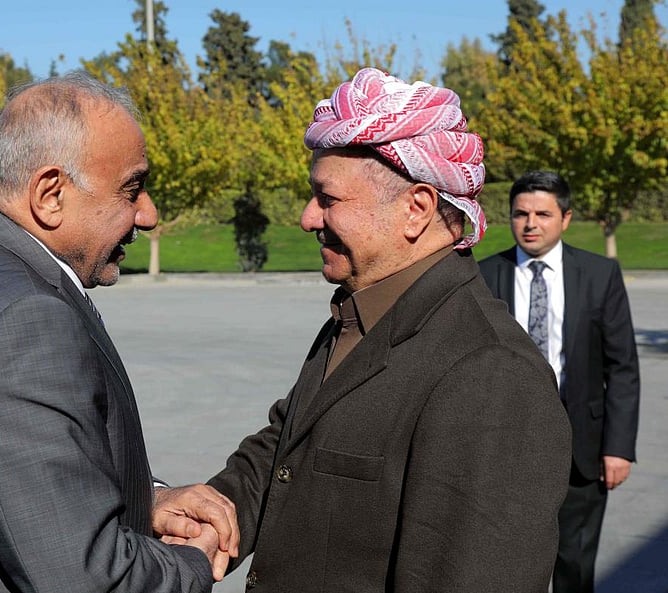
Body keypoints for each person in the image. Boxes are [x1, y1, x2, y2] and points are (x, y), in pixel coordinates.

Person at [159, 68, 572, 592]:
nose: (309, 218)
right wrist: (204, 515)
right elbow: (288, 449)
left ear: (415, 209)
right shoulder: (358, 313)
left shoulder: (491, 372)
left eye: (327, 199)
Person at [0, 72, 239, 593]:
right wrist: (192, 561)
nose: (148, 214)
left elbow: (14, 477)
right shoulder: (24, 318)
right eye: (132, 188)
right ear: (50, 194)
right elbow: (86, 578)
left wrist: (147, 500)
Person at [479, 170, 640, 593]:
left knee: (573, 564)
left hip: (581, 447)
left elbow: (621, 366)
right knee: (506, 567)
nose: (531, 223)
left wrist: (618, 447)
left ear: (565, 219)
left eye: (543, 214)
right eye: (520, 213)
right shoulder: (481, 277)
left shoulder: (600, 275)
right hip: (502, 448)